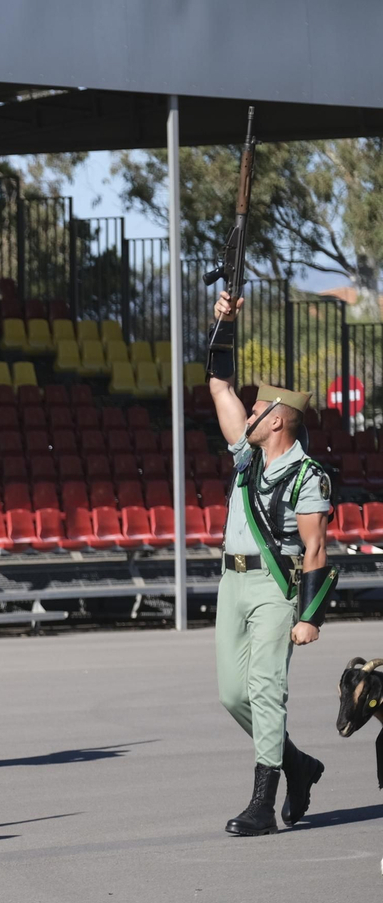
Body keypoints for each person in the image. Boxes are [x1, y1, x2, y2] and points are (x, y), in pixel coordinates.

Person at [206, 290, 333, 835]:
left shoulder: (309, 477)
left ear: (279, 421)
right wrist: (224, 323)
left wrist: (309, 617)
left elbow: (316, 550)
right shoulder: (246, 456)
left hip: (275, 587)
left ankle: (262, 802)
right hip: (231, 583)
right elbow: (219, 383)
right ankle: (299, 765)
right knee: (232, 694)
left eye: (258, 410)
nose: (248, 413)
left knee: (264, 688)